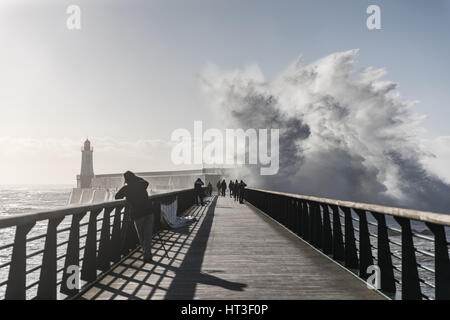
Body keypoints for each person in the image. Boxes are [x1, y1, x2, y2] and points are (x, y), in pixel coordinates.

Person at [115, 171, 153, 262]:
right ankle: (148, 255)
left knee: (141, 236)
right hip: (149, 212)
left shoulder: (126, 189)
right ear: (134, 177)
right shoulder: (142, 184)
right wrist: (136, 178)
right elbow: (146, 182)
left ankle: (146, 255)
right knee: (148, 235)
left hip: (138, 214)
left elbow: (117, 196)